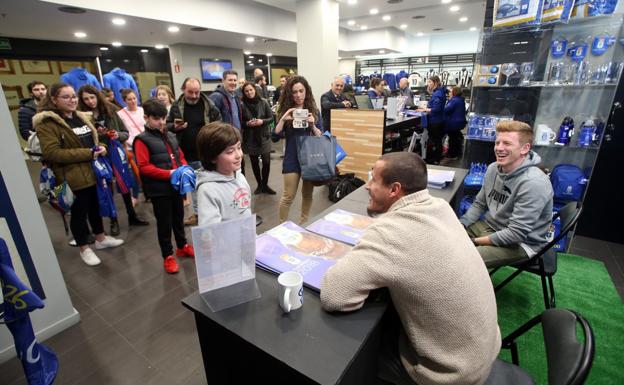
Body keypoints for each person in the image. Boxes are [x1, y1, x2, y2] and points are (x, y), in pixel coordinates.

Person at [320, 152, 500, 385]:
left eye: (373, 179)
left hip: (449, 375)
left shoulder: (390, 232)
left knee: (360, 357)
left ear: (394, 190)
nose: (367, 186)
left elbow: (334, 296)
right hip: (483, 353)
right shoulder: (440, 206)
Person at [35, 82, 124, 266]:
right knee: (77, 213)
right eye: (65, 97)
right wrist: (89, 153)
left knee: (94, 208)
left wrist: (103, 147)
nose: (72, 100)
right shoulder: (46, 123)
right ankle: (84, 248)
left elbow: (97, 140)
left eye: (73, 96)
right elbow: (52, 153)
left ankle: (100, 239)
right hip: (66, 178)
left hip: (93, 173)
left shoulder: (82, 117)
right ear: (53, 100)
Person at [460, 120, 554, 268]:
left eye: (507, 143)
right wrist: (461, 225)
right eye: (497, 143)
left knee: (464, 259)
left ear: (525, 148)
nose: (499, 148)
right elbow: (479, 204)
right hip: (490, 226)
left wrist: (474, 242)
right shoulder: (493, 169)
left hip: (521, 243)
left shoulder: (533, 183)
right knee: (447, 241)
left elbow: (516, 234)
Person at [133, 99, 194, 274]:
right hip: (159, 190)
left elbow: (179, 155)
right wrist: (169, 174)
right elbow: (144, 167)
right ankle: (167, 256)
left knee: (178, 218)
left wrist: (183, 168)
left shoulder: (171, 135)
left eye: (163, 118)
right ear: (146, 118)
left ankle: (182, 246)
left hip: (175, 186)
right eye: (156, 118)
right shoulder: (141, 140)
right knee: (164, 223)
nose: (160, 122)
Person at [78, 85, 149, 235]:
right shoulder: (81, 117)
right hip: (97, 156)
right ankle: (113, 220)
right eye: (86, 99)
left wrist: (117, 135)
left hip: (115, 153)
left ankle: (132, 216)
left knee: (124, 185)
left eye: (92, 97)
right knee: (106, 188)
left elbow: (125, 132)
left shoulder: (110, 111)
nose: (90, 101)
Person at [167, 77, 221, 226]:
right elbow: (167, 125)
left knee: (208, 185)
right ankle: (198, 214)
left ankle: (211, 212)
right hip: (185, 155)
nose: (194, 96)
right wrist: (175, 127)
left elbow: (219, 123)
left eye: (197, 92)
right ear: (183, 90)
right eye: (191, 92)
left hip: (206, 153)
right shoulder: (177, 106)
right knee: (193, 187)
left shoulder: (209, 105)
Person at [274, 75, 323, 224]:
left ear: (306, 91)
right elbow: (275, 135)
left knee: (307, 194)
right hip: (292, 157)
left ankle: (304, 223)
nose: (298, 95)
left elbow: (321, 136)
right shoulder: (285, 110)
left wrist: (313, 125)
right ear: (290, 93)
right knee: (288, 196)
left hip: (309, 158)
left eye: (301, 91)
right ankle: (282, 226)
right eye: (294, 92)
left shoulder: (313, 110)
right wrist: (283, 119)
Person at [195, 122, 252, 226]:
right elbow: (210, 232)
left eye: (239, 147)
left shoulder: (240, 176)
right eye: (230, 152)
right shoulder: (208, 190)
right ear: (212, 157)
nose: (238, 155)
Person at [240, 82, 276, 194]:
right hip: (250, 137)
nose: (249, 92)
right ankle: (259, 185)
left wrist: (262, 121)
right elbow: (240, 122)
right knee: (254, 162)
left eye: (251, 90)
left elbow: (271, 118)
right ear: (244, 93)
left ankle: (265, 184)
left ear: (255, 90)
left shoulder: (263, 102)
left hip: (263, 136)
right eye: (246, 91)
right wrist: (247, 124)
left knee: (266, 162)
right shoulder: (241, 104)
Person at [209, 70, 244, 170]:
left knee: (239, 168)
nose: (233, 82)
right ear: (223, 80)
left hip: (236, 138)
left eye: (235, 80)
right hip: (225, 140)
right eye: (230, 80)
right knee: (228, 169)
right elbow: (212, 121)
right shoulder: (216, 97)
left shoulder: (236, 96)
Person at [418, 75, 447, 164]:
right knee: (436, 140)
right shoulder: (437, 92)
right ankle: (436, 158)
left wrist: (425, 109)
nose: (428, 84)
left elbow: (436, 109)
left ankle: (436, 159)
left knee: (437, 141)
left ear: (435, 83)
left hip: (436, 121)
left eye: (430, 82)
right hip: (437, 120)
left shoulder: (438, 93)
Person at [443, 86, 467, 161]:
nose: (449, 93)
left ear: (454, 92)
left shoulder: (454, 100)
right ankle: (457, 152)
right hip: (459, 122)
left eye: (450, 92)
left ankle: (452, 154)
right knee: (456, 137)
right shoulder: (460, 100)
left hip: (453, 123)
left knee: (453, 139)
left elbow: (446, 110)